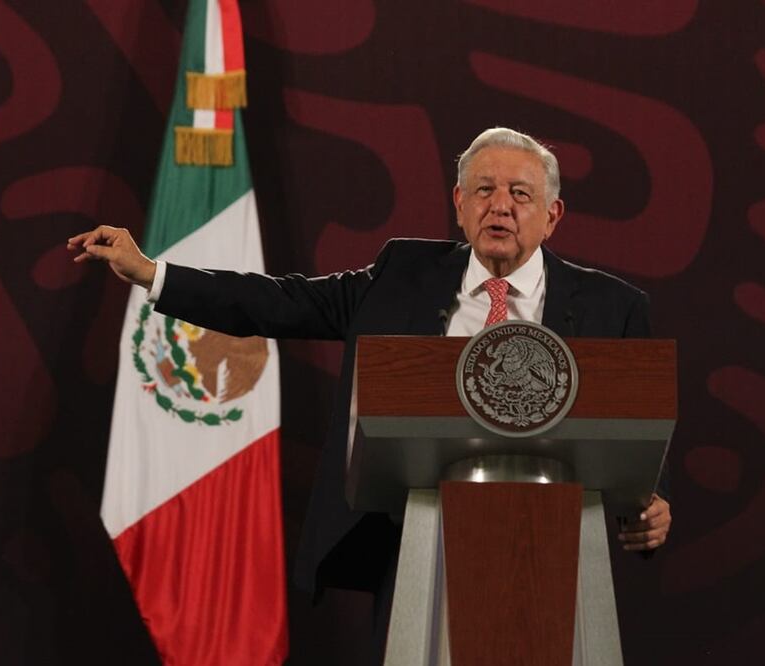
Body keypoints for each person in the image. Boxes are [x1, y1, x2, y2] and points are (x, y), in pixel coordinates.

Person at [69, 126, 672, 625]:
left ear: (552, 214)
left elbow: (634, 440)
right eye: (484, 189)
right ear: (459, 203)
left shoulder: (612, 309)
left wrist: (646, 507)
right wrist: (152, 273)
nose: (501, 206)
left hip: (551, 551)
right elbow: (279, 301)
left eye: (520, 194)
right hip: (416, 543)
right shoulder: (401, 277)